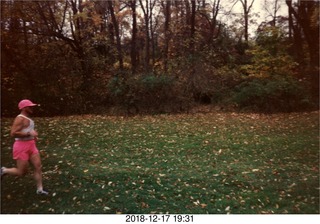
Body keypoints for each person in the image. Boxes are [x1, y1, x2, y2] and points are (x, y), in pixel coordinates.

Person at [1, 99, 48, 195]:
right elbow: (13, 133)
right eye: (30, 106)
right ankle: (3, 170)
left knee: (38, 166)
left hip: (31, 145)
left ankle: (40, 190)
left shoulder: (28, 118)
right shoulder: (20, 118)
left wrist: (33, 136)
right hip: (21, 147)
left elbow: (28, 130)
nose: (32, 108)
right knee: (22, 172)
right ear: (24, 108)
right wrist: (28, 134)